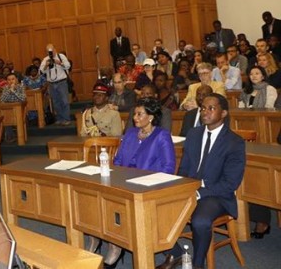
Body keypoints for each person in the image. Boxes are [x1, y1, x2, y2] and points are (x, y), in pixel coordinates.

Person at [156, 94, 245, 269]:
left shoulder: (234, 142)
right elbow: (184, 170)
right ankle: (176, 255)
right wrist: (179, 189)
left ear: (224, 113)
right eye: (203, 108)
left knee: (200, 221)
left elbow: (230, 183)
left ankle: (197, 264)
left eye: (211, 108)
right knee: (154, 208)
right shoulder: (193, 134)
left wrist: (200, 192)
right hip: (191, 189)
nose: (205, 112)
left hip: (217, 195)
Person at [91, 97, 176, 268]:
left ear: (151, 117)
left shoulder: (162, 136)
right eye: (134, 114)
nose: (135, 117)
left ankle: (116, 247)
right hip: (124, 183)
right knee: (100, 199)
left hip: (149, 188)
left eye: (139, 114)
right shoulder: (130, 133)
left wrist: (147, 182)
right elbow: (119, 160)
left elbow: (168, 167)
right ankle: (112, 242)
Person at [40, 44, 72, 126]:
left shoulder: (61, 56)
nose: (50, 52)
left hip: (61, 82)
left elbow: (68, 66)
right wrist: (46, 66)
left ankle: (66, 119)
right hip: (51, 84)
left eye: (51, 50)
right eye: (48, 51)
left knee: (64, 101)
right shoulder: (45, 59)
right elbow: (41, 71)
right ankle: (59, 119)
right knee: (56, 102)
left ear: (55, 49)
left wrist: (60, 63)